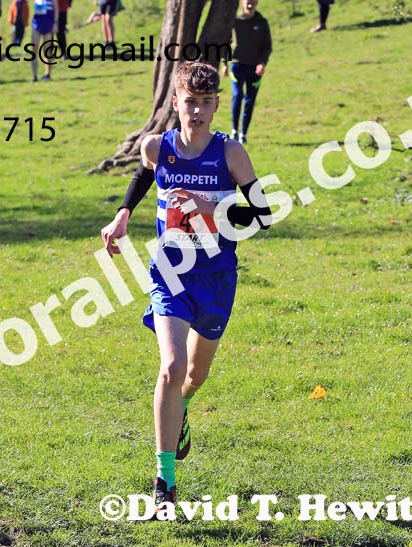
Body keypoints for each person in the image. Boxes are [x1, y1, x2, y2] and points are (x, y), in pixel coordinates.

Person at [99, 62, 272, 514]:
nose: (195, 110)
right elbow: (143, 176)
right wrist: (123, 214)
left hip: (215, 278)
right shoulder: (157, 146)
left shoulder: (230, 155)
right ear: (174, 102)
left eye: (204, 103)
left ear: (216, 105)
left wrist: (209, 204)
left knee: (194, 377)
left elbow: (263, 215)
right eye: (188, 102)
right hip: (168, 275)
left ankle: (182, 412)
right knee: (171, 368)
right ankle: (165, 485)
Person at [221, 0, 271, 144]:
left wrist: (262, 63)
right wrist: (224, 63)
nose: (250, 4)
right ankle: (234, 130)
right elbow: (226, 42)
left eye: (253, 2)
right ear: (242, 3)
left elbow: (267, 46)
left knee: (250, 100)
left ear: (257, 3)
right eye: (248, 2)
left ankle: (244, 134)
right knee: (238, 95)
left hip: (254, 67)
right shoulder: (235, 21)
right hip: (237, 65)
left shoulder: (262, 22)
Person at [30, 0, 60, 82]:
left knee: (47, 50)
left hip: (48, 21)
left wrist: (55, 23)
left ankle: (47, 74)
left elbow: (56, 8)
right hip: (37, 21)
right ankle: (34, 76)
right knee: (34, 49)